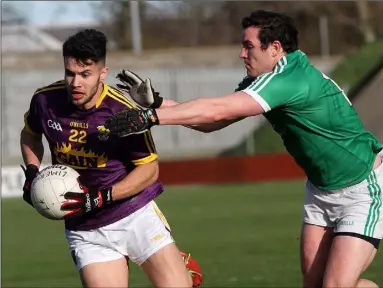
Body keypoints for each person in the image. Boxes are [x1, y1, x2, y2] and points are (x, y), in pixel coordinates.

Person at [105, 10, 383, 288]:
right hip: (321, 192)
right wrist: (156, 104)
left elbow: (215, 111)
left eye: (248, 46)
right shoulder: (266, 79)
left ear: (275, 48)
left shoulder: (290, 79)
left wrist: (150, 118)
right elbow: (214, 120)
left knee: (335, 286)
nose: (241, 53)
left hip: (362, 189)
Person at [20, 28, 202, 288]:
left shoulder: (121, 111)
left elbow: (150, 170)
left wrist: (102, 196)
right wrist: (31, 172)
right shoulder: (44, 101)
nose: (75, 83)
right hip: (86, 228)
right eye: (69, 73)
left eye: (85, 74)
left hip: (134, 214)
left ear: (102, 74)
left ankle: (178, 269)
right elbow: (30, 134)